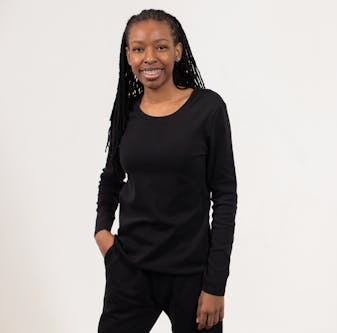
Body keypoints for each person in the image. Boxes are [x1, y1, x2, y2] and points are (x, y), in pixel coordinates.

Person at [94, 9, 237, 333]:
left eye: (160, 46)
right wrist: (103, 233)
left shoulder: (208, 109)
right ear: (128, 55)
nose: (149, 57)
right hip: (130, 271)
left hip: (192, 276)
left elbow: (225, 196)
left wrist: (215, 285)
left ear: (177, 50)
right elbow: (111, 177)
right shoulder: (127, 112)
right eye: (138, 48)